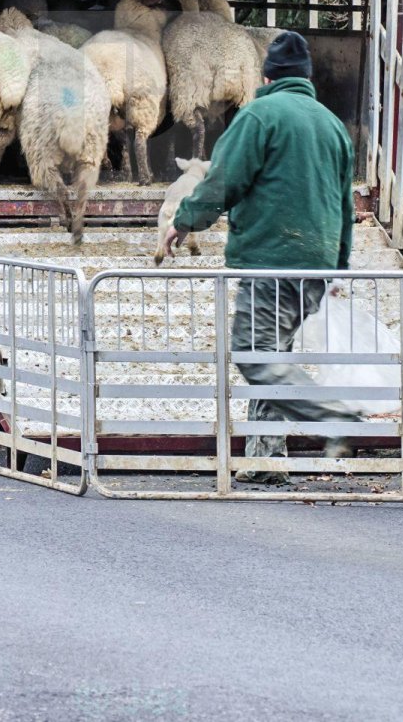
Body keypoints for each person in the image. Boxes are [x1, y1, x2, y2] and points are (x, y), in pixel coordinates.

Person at [163, 30, 361, 484]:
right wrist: (340, 265)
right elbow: (345, 206)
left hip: (272, 259)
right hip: (316, 262)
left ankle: (332, 416)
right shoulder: (332, 125)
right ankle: (265, 462)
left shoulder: (259, 116)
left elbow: (224, 179)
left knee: (254, 356)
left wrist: (185, 219)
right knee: (276, 355)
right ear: (306, 77)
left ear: (267, 75)